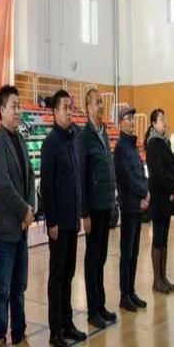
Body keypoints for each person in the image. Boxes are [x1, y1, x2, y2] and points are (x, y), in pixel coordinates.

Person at [0, 85, 35, 347]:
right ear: (2, 110)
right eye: (13, 106)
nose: (18, 111)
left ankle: (19, 333)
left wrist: (31, 206)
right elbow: (3, 184)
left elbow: (29, 175)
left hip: (22, 227)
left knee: (19, 286)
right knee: (2, 288)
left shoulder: (20, 139)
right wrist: (24, 210)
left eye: (19, 106)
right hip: (5, 229)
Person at [41, 89, 87, 347]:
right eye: (65, 108)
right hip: (59, 224)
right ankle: (55, 330)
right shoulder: (51, 143)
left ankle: (68, 324)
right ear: (55, 112)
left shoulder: (72, 140)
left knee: (68, 275)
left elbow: (75, 181)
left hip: (72, 221)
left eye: (71, 108)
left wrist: (78, 215)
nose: (70, 112)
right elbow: (47, 186)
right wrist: (52, 222)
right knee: (57, 277)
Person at [76, 89, 117, 330]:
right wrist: (85, 213)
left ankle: (100, 305)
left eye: (102, 102)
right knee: (92, 259)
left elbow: (109, 170)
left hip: (106, 205)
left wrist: (113, 202)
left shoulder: (104, 133)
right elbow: (82, 177)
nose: (100, 106)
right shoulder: (84, 137)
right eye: (96, 103)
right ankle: (93, 310)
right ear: (88, 107)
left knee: (101, 258)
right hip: (93, 208)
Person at [113, 107, 149, 312]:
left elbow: (141, 173)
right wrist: (143, 193)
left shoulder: (134, 147)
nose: (131, 121)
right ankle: (124, 296)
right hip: (128, 206)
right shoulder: (120, 148)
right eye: (127, 118)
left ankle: (132, 291)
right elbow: (126, 178)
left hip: (138, 206)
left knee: (134, 253)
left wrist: (145, 193)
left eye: (132, 119)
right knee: (126, 253)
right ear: (120, 123)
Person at [144, 108, 174, 294]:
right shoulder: (152, 144)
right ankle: (156, 281)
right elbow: (158, 172)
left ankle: (163, 278)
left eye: (164, 119)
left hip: (168, 195)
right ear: (153, 123)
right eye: (160, 119)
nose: (164, 122)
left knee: (164, 238)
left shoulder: (164, 142)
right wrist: (172, 187)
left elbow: (173, 166)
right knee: (157, 238)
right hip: (159, 196)